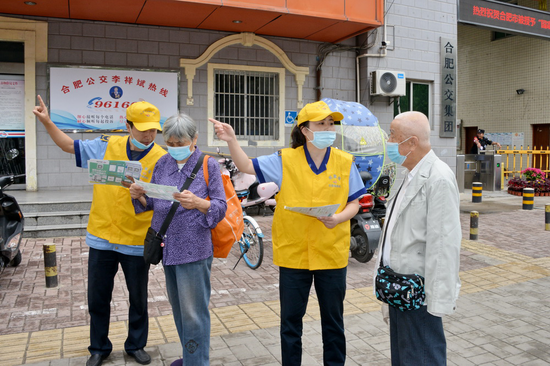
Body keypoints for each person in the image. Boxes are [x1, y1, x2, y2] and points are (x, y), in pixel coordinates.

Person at [211, 100, 366, 366]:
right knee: (291, 323)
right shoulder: (285, 159)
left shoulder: (344, 161)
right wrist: (231, 140)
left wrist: (339, 217)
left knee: (333, 322)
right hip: (295, 254)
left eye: (331, 123)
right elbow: (247, 165)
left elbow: (356, 201)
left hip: (331, 253)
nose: (328, 128)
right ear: (305, 130)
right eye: (321, 124)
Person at [33, 96, 167, 366]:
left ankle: (136, 344)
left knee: (138, 297)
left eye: (153, 129)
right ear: (128, 125)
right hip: (102, 237)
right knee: (98, 296)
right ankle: (99, 348)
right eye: (142, 128)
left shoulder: (161, 159)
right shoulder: (106, 145)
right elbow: (69, 145)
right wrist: (47, 122)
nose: (149, 134)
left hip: (135, 239)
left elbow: (162, 203)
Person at [129, 113, 227, 366]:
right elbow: (153, 201)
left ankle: (197, 363)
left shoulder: (208, 164)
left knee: (194, 313)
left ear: (194, 139)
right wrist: (139, 194)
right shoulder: (163, 163)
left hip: (194, 249)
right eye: (170, 144)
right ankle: (190, 357)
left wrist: (198, 203)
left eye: (180, 143)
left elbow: (219, 206)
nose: (175, 149)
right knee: (180, 311)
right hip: (168, 248)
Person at [381, 111, 461, 365]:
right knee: (404, 356)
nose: (389, 141)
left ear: (412, 142)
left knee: (423, 356)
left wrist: (436, 301)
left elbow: (444, 244)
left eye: (393, 136)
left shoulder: (438, 178)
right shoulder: (408, 173)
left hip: (420, 294)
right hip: (399, 287)